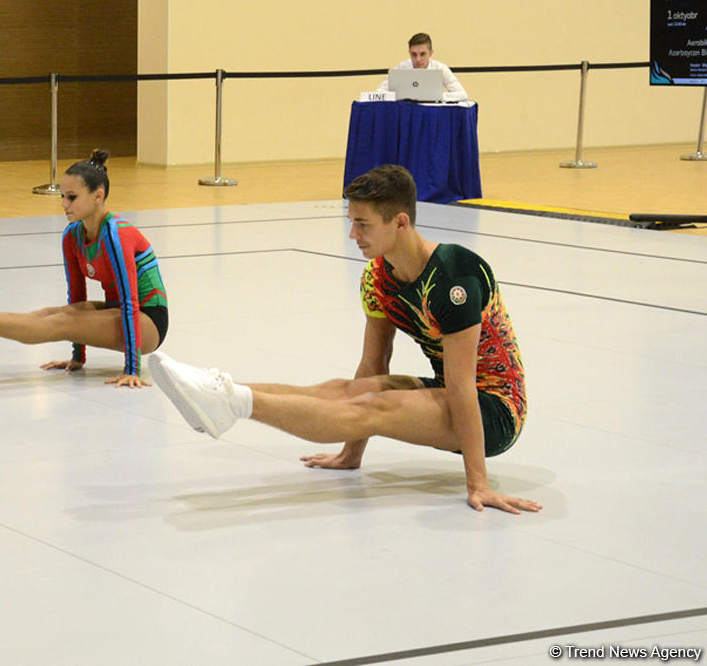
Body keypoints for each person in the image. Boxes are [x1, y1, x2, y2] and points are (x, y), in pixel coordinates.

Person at [149, 164, 540, 514]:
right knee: (353, 388)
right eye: (352, 221)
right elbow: (372, 366)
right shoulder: (377, 278)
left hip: (497, 409)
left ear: (401, 223)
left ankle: (235, 403)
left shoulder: (456, 276)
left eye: (364, 224)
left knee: (374, 407)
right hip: (454, 389)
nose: (353, 234)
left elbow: (461, 386)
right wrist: (350, 453)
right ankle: (218, 389)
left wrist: (479, 484)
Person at [0, 149, 169, 389]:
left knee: (61, 323)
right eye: (63, 197)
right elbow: (77, 298)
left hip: (148, 323)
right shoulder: (72, 236)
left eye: (72, 197)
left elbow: (130, 301)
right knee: (53, 313)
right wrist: (78, 358)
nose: (64, 204)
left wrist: (132, 369)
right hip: (120, 312)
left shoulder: (116, 234)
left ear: (98, 196)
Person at [375, 32, 468, 101]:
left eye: (422, 54)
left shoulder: (440, 69)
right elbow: (379, 92)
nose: (418, 59)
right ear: (409, 53)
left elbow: (462, 94)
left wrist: (437, 96)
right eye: (414, 54)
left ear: (431, 53)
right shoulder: (401, 68)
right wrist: (398, 96)